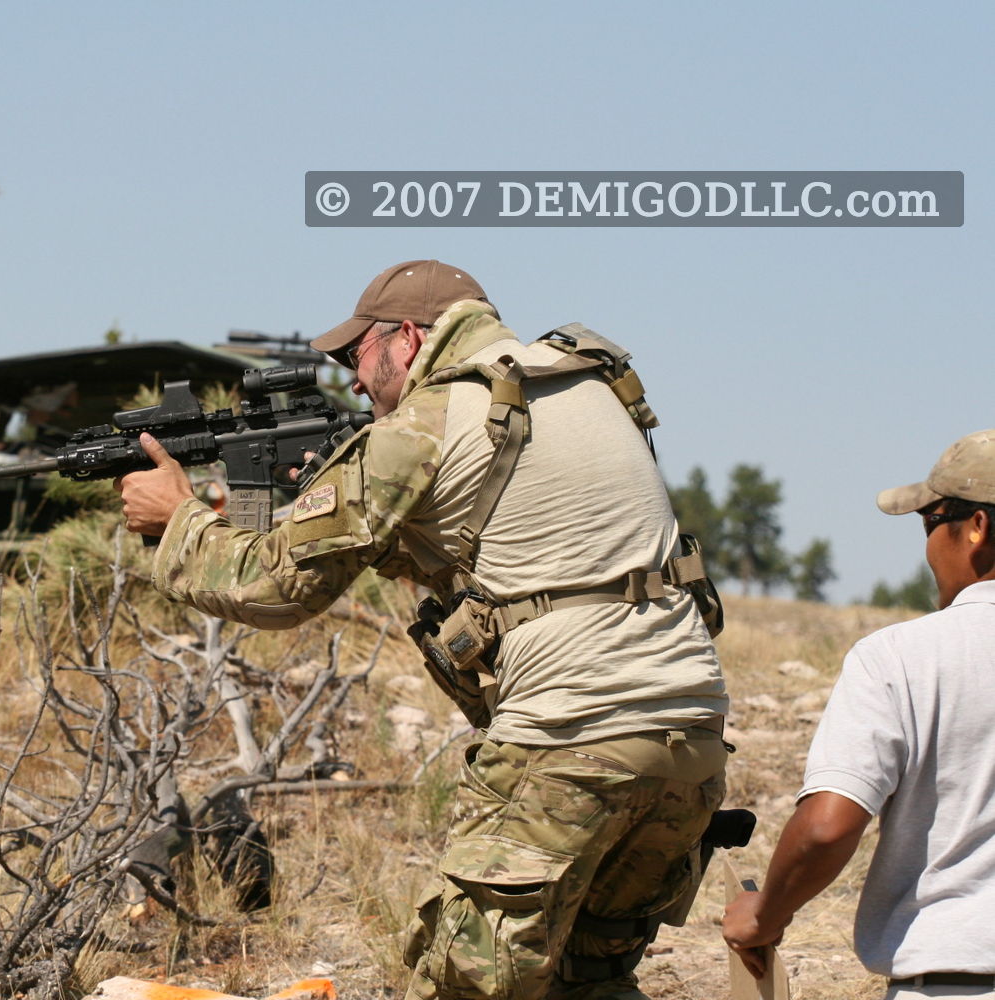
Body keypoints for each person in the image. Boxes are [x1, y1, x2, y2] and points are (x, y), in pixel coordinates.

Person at [118, 260, 728, 999]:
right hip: (691, 744)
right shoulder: (589, 381)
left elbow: (273, 589)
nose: (350, 379)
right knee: (588, 981)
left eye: (354, 356)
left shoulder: (424, 422)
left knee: (462, 988)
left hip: (569, 741)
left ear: (406, 339)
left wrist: (176, 517)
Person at [722, 430, 995, 998]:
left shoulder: (900, 658)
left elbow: (827, 828)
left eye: (929, 523)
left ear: (977, 528)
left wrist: (764, 915)